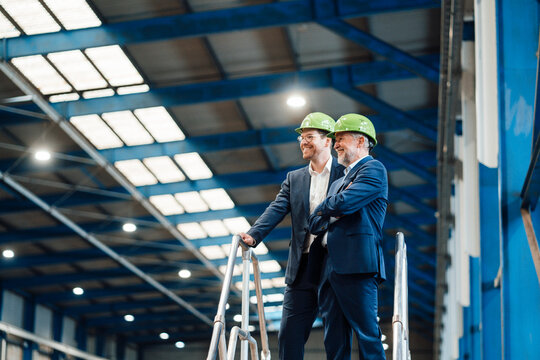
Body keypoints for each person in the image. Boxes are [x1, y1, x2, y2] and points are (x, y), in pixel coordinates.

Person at [239, 112, 344, 360]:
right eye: (301, 138)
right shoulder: (294, 178)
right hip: (303, 265)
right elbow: (277, 208)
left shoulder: (346, 173)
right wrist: (254, 235)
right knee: (290, 333)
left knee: (336, 333)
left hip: (334, 263)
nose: (303, 142)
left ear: (327, 141)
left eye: (309, 137)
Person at [308, 113, 387, 360]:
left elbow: (345, 203)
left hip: (357, 264)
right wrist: (330, 206)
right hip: (330, 268)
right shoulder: (338, 182)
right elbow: (314, 221)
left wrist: (327, 206)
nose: (337, 144)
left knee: (366, 335)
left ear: (361, 141)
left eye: (341, 138)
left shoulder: (374, 169)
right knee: (334, 340)